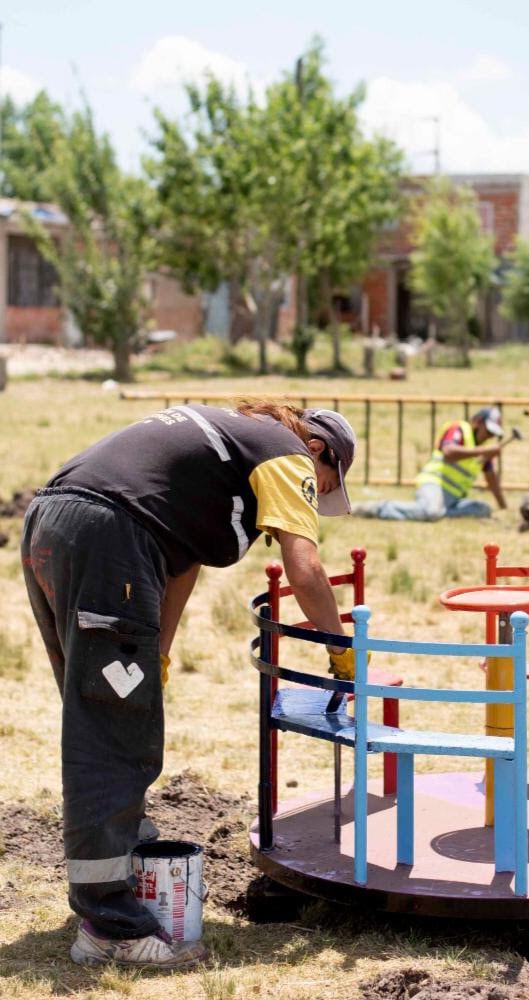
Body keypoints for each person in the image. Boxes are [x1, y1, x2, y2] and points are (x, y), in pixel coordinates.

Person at [20, 400, 358, 968]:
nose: (316, 501)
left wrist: (158, 653)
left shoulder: (227, 449)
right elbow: (308, 570)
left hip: (58, 523)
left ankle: (121, 865)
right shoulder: (287, 453)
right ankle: (111, 929)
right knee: (112, 736)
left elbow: (183, 560)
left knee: (104, 719)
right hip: (110, 538)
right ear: (320, 452)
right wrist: (344, 654)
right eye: (324, 488)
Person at [352, 406, 507, 521]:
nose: (489, 437)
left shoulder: (481, 449)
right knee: (431, 512)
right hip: (433, 485)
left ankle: (441, 512)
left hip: (454, 498)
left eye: (493, 434)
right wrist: (482, 451)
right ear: (477, 422)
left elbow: (491, 478)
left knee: (483, 509)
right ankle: (377, 509)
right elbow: (448, 453)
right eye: (488, 431)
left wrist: (503, 506)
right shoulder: (459, 429)